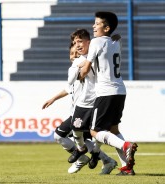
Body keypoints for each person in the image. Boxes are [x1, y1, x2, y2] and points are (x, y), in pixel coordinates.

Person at [42, 32, 116, 174]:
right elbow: (68, 88)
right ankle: (106, 160)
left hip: (89, 107)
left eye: (76, 53)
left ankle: (84, 157)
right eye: (72, 53)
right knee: (84, 139)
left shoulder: (85, 66)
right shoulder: (75, 69)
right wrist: (53, 99)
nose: (74, 56)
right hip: (78, 109)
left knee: (63, 135)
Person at [77, 11, 138, 175]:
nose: (93, 26)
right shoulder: (116, 41)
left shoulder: (96, 42)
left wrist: (79, 73)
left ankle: (126, 146)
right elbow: (114, 39)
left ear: (107, 27)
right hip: (120, 90)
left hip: (105, 92)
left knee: (95, 132)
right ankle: (127, 168)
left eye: (97, 24)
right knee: (113, 130)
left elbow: (86, 68)